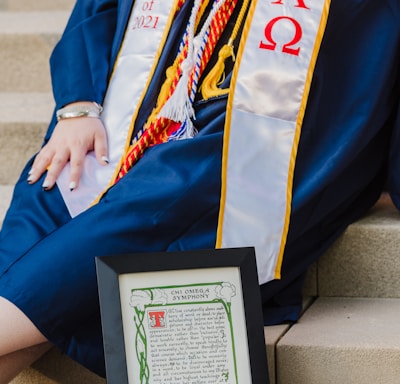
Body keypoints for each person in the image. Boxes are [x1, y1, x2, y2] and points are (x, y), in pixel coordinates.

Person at [0, 0, 399, 381]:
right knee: (52, 192)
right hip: (137, 111)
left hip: (260, 138)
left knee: (166, 199)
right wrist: (78, 106)